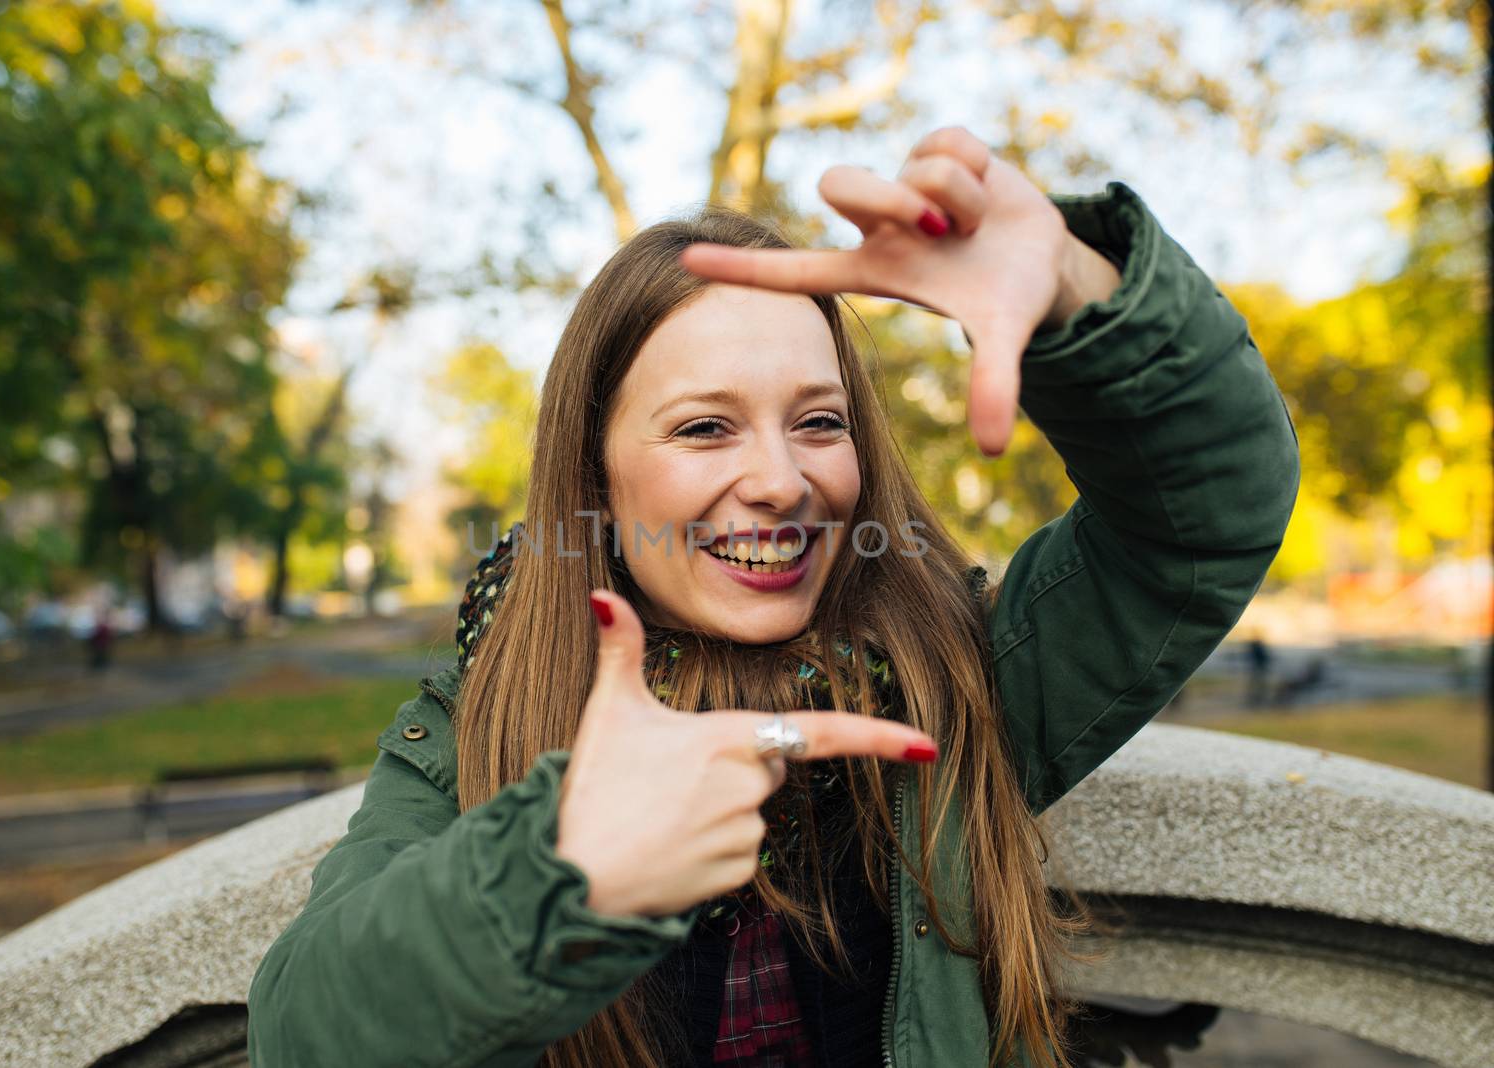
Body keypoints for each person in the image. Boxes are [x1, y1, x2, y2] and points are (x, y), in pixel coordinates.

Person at [246, 125, 1299, 1067]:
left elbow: (1199, 518)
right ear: (595, 480)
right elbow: (307, 1034)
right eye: (705, 427)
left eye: (818, 421)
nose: (782, 481)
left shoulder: (959, 679)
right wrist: (559, 869)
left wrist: (1078, 289)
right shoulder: (476, 730)